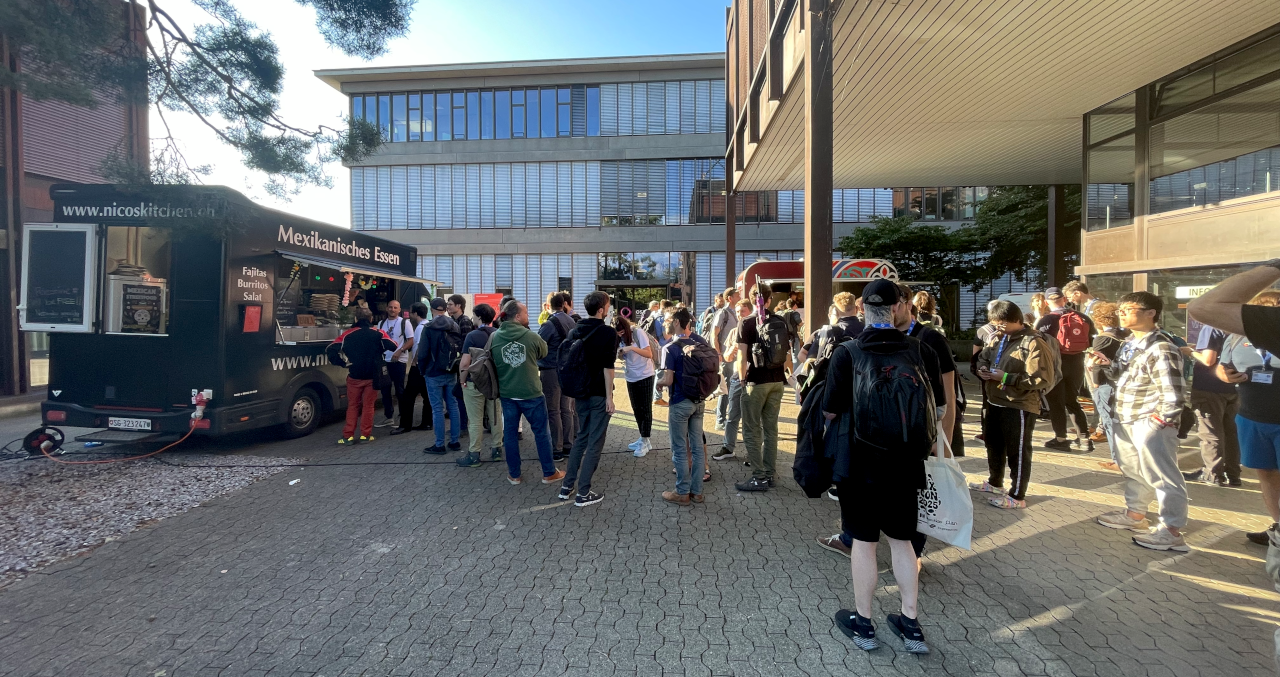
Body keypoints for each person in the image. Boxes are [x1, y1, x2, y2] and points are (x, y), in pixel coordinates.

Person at [823, 279, 940, 655]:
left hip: (859, 463)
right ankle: (910, 624)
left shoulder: (848, 353)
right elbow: (935, 408)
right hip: (907, 463)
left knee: (863, 542)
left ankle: (864, 623)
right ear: (895, 308)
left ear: (862, 309)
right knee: (904, 542)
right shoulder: (921, 350)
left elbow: (830, 409)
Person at [1089, 292, 1190, 551]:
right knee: (1133, 469)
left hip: (1149, 421)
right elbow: (1122, 377)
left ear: (1150, 313)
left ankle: (1172, 530)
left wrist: (1160, 422)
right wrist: (1104, 365)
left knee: (1163, 476)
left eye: (1129, 308)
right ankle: (1135, 516)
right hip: (1125, 416)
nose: (1122, 313)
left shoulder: (1162, 346)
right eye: (1121, 309)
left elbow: (1174, 392)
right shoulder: (1129, 343)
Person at [971, 301, 1057, 509]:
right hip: (994, 400)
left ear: (1017, 320)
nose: (997, 327)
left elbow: (1042, 378)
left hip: (1018, 404)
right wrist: (982, 369)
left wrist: (1007, 377)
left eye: (1002, 323)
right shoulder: (998, 338)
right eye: (995, 323)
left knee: (1017, 450)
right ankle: (995, 482)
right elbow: (983, 357)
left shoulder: (1033, 342)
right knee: (993, 444)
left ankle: (1017, 495)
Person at [1218, 291, 1280, 544]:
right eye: (1266, 308)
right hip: (1252, 418)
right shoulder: (1235, 337)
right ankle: (1277, 530)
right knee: (1265, 475)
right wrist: (1224, 375)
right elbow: (1223, 367)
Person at [490, 299, 565, 486]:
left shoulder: (495, 337)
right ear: (517, 316)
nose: (528, 316)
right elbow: (543, 352)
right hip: (531, 392)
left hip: (507, 393)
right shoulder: (530, 336)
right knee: (541, 433)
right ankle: (548, 473)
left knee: (510, 434)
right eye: (525, 313)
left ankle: (514, 475)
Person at [557, 291, 617, 507]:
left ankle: (566, 487)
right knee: (595, 442)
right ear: (601, 309)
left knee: (581, 437)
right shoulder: (609, 333)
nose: (609, 308)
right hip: (599, 394)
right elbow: (608, 369)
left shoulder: (576, 330)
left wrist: (572, 394)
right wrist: (610, 397)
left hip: (580, 392)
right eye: (608, 305)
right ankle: (583, 492)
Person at [734, 281, 793, 492]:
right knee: (771, 430)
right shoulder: (780, 320)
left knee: (751, 429)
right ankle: (769, 473)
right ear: (769, 300)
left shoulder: (746, 323)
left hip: (756, 382)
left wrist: (742, 380)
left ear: (751, 300)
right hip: (777, 382)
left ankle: (758, 477)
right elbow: (786, 353)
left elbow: (742, 356)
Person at [654, 307, 711, 504]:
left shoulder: (670, 348)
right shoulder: (701, 342)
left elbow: (668, 379)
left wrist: (659, 384)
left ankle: (682, 492)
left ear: (678, 322)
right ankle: (697, 491)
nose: (667, 323)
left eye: (670, 320)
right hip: (699, 401)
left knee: (679, 448)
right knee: (696, 447)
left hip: (680, 402)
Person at [1035, 286, 1095, 451]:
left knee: (1056, 403)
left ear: (1047, 302)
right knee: (1072, 401)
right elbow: (1091, 340)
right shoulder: (1082, 317)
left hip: (1055, 365)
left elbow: (1037, 344)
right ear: (1065, 299)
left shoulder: (1045, 320)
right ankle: (1084, 439)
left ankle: (1061, 439)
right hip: (1076, 364)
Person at [326, 308, 397, 444]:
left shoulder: (347, 335)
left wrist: (342, 363)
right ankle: (365, 435)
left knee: (353, 405)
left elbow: (331, 349)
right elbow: (393, 345)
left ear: (356, 319)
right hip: (373, 376)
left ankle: (348, 436)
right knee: (368, 406)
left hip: (354, 375)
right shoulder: (378, 333)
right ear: (371, 319)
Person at [1184, 318, 1241, 488]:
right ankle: (1233, 474)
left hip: (1208, 386)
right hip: (1233, 387)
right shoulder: (1236, 325)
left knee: (1210, 431)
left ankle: (1212, 473)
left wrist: (1190, 352)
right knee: (1231, 432)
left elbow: (1208, 360)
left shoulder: (1212, 327)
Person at [455, 303, 502, 468]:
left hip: (475, 382)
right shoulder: (498, 333)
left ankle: (474, 454)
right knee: (495, 416)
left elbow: (465, 362)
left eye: (474, 315)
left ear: (479, 317)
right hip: (494, 383)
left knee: (474, 420)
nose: (473, 318)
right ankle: (497, 450)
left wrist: (462, 379)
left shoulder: (472, 336)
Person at [418, 298, 463, 455]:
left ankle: (439, 444)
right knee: (453, 406)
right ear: (445, 309)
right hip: (450, 370)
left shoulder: (429, 327)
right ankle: (455, 441)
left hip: (433, 371)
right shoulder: (454, 325)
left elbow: (423, 352)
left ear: (432, 309)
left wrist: (422, 370)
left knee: (437, 409)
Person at [537, 292, 578, 461]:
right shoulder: (572, 321)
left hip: (551, 370)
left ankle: (557, 448)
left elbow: (538, 345)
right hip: (568, 370)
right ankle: (568, 445)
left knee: (553, 410)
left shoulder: (549, 324)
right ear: (564, 304)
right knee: (567, 409)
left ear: (549, 306)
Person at [711, 299, 753, 462]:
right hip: (737, 378)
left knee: (752, 419)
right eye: (737, 312)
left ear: (749, 311)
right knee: (732, 415)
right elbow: (727, 357)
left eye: (742, 311)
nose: (739, 315)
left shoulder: (756, 329)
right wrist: (734, 348)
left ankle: (753, 452)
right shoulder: (734, 332)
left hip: (753, 379)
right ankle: (728, 447)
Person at [1086, 302, 1126, 456]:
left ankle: (1117, 458)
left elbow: (1097, 363)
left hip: (1104, 383)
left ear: (1099, 320)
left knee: (1109, 420)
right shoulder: (1121, 335)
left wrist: (1095, 382)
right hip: (1117, 381)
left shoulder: (1101, 339)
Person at [616, 313, 655, 457]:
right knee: (636, 408)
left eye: (621, 332)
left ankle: (645, 440)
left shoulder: (638, 332)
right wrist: (621, 353)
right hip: (630, 376)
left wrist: (631, 348)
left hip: (645, 375)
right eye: (617, 333)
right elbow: (622, 356)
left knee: (645, 408)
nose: (620, 335)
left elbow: (648, 353)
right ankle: (643, 438)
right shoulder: (619, 337)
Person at [392, 302, 432, 435]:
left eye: (411, 312)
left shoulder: (421, 328)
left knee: (408, 396)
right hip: (427, 366)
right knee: (427, 396)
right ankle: (427, 422)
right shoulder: (428, 324)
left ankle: (405, 425)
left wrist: (414, 362)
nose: (410, 314)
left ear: (415, 313)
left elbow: (420, 346)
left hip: (418, 366)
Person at [374, 300, 413, 428]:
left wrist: (400, 351)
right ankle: (388, 417)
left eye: (395, 307)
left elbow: (411, 340)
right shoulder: (381, 323)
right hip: (385, 360)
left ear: (399, 309)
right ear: (386, 309)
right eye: (390, 307)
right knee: (385, 390)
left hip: (399, 361)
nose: (392, 309)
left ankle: (403, 416)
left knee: (399, 390)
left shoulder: (404, 322)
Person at [970, 300, 1002, 442]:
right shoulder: (1013, 330)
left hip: (987, 372)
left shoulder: (983, 330)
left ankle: (986, 432)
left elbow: (975, 353)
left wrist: (978, 369)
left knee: (987, 401)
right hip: (1005, 372)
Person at [710, 287, 741, 431]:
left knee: (733, 386)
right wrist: (718, 354)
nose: (739, 296)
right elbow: (714, 335)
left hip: (736, 356)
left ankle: (727, 416)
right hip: (725, 355)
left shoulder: (737, 313)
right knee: (726, 387)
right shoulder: (723, 313)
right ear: (730, 298)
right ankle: (720, 420)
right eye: (737, 295)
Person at [446, 295, 476, 431]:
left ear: (459, 306)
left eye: (450, 304)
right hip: (457, 363)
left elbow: (466, 346)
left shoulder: (464, 321)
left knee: (460, 396)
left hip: (462, 364)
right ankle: (460, 425)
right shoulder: (452, 320)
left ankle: (462, 426)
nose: (448, 306)